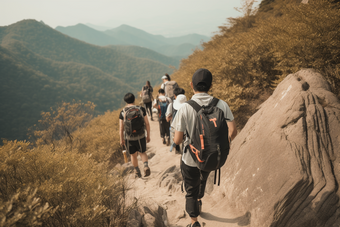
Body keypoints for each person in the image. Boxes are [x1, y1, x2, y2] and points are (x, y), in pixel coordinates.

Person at [172, 68, 237, 227]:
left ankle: (194, 221)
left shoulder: (185, 108)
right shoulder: (221, 104)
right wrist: (220, 142)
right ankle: (200, 199)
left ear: (191, 84)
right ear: (211, 85)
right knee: (203, 178)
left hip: (190, 158)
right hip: (212, 155)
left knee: (190, 190)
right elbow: (233, 130)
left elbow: (178, 140)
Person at [119, 92, 151, 178]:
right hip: (140, 135)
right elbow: (147, 123)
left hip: (129, 138)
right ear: (134, 99)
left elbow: (121, 128)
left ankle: (137, 170)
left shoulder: (123, 112)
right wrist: (148, 135)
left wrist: (121, 139)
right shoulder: (141, 109)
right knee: (142, 152)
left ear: (126, 101)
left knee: (133, 155)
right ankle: (146, 166)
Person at [166, 87, 186, 153]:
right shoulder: (187, 105)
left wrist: (169, 117)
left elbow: (167, 120)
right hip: (186, 128)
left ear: (174, 95)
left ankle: (176, 148)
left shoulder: (171, 105)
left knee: (176, 140)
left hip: (175, 128)